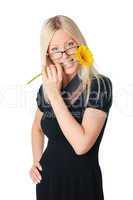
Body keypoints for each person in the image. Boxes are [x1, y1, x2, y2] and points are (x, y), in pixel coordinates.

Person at [29, 15, 113, 200]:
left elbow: (81, 145)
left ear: (80, 44)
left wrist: (55, 96)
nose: (65, 55)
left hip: (82, 185)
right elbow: (36, 127)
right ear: (48, 56)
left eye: (70, 45)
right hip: (48, 183)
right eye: (56, 50)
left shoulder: (99, 85)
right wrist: (36, 160)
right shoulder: (47, 88)